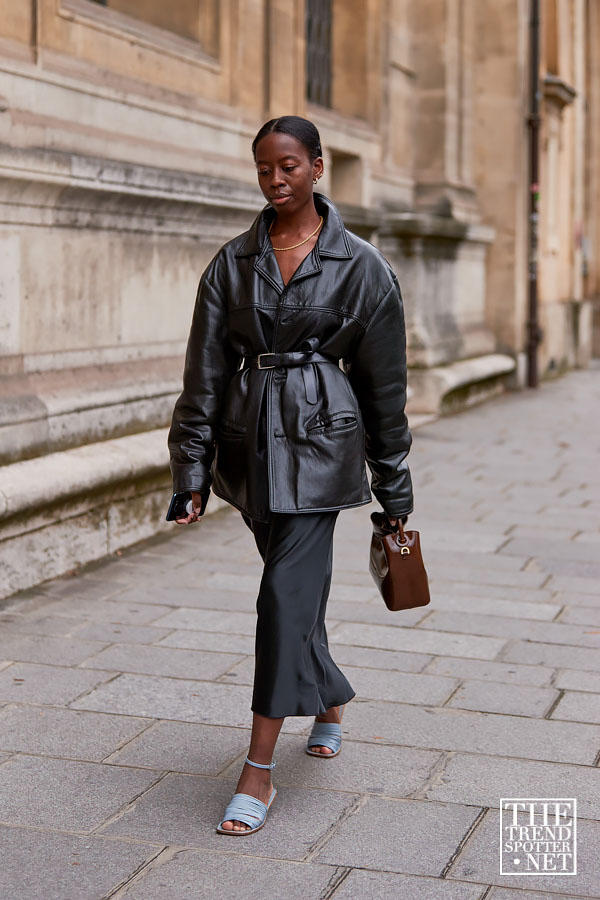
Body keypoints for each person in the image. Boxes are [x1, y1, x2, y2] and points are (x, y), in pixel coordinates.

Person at [167, 115, 413, 835]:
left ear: (318, 166)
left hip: (322, 447)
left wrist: (393, 494)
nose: (277, 181)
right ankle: (329, 699)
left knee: (280, 599)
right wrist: (190, 470)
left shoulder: (362, 266)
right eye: (265, 170)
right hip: (249, 452)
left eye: (289, 167)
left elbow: (385, 391)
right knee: (294, 594)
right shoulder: (232, 261)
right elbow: (204, 373)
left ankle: (258, 773)